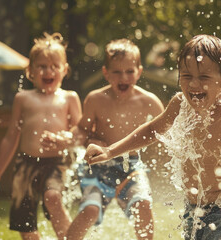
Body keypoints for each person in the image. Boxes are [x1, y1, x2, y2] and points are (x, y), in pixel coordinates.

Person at [85, 35, 221, 240]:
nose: (194, 84)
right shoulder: (180, 104)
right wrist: (109, 151)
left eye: (204, 78)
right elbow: (151, 130)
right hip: (194, 210)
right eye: (186, 75)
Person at [60, 38, 164, 240]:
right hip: (98, 165)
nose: (123, 77)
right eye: (116, 72)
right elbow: (82, 130)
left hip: (131, 165)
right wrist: (83, 139)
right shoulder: (96, 99)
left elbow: (166, 132)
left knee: (143, 203)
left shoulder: (149, 102)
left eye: (129, 71)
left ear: (139, 72)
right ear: (106, 73)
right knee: (90, 210)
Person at [0, 32, 81, 240]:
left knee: (52, 196)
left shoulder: (69, 98)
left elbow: (80, 133)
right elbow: (11, 137)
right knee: (23, 219)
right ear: (31, 71)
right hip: (25, 164)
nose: (48, 70)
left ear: (64, 70)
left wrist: (65, 138)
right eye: (42, 66)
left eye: (55, 66)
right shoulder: (23, 99)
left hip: (56, 163)